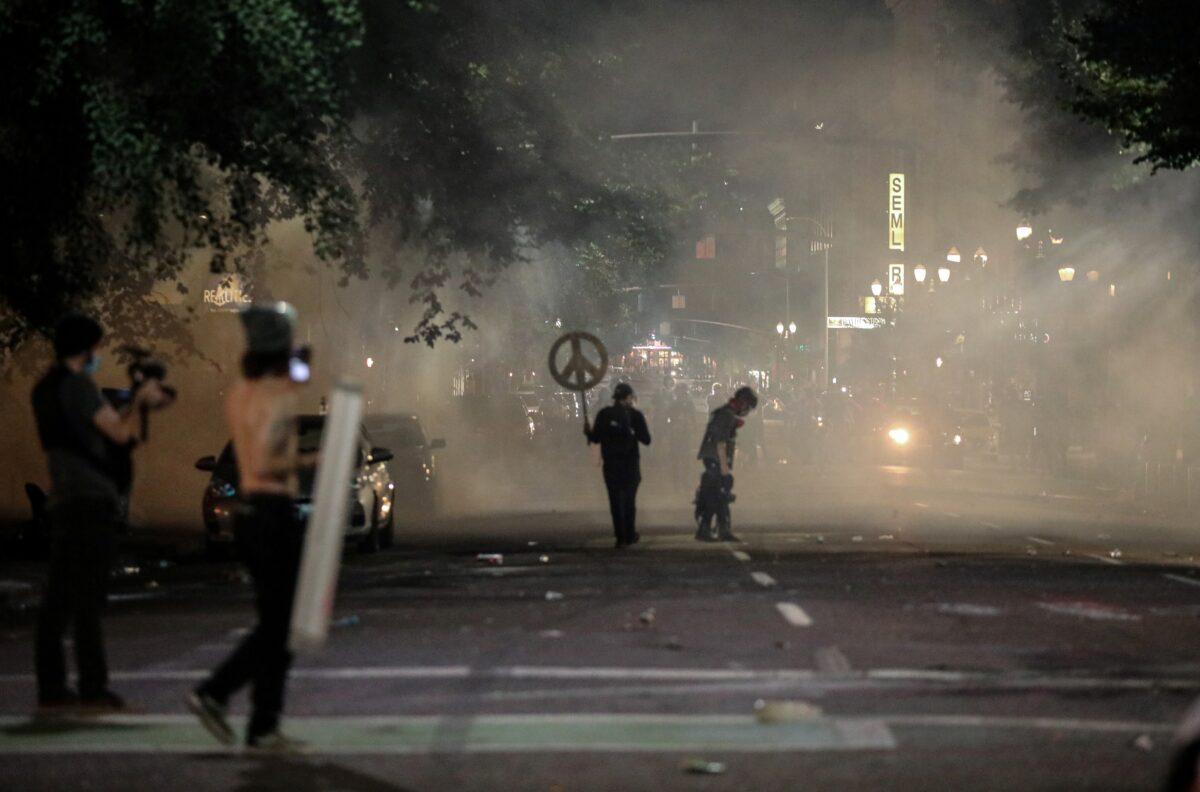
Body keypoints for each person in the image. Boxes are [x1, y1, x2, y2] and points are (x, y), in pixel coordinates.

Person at [188, 303, 316, 752]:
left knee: (275, 622)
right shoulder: (276, 399)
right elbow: (270, 459)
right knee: (280, 626)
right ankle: (222, 695)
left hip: (250, 514)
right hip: (274, 512)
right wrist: (312, 459)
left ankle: (260, 724)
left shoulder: (242, 393)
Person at [31, 313, 169, 711]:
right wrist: (139, 400)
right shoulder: (77, 386)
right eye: (96, 348)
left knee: (58, 599)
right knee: (87, 599)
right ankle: (92, 687)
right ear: (86, 348)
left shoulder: (45, 389)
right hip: (90, 500)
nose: (99, 355)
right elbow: (120, 433)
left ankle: (52, 687)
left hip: (66, 498)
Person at [584, 383, 651, 548]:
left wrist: (587, 431)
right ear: (628, 398)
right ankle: (630, 533)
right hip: (630, 465)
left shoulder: (604, 414)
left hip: (611, 465)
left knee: (615, 501)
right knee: (629, 501)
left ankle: (620, 537)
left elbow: (595, 439)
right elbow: (646, 440)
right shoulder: (635, 415)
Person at [694, 385, 758, 542]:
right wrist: (725, 469)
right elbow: (720, 443)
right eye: (748, 408)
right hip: (715, 459)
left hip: (714, 458)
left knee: (721, 494)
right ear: (743, 403)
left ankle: (723, 529)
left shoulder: (724, 413)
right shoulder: (727, 415)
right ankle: (706, 529)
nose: (747, 412)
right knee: (715, 494)